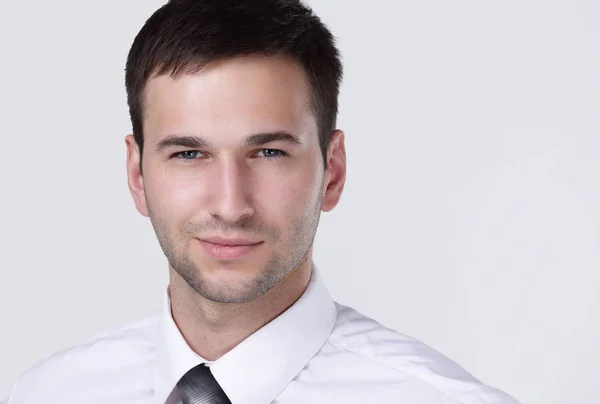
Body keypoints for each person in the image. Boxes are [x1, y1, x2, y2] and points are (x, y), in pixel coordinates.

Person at [2, 1, 521, 403]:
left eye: (269, 152)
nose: (231, 205)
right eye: (189, 154)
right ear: (137, 175)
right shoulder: (44, 394)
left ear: (332, 171)